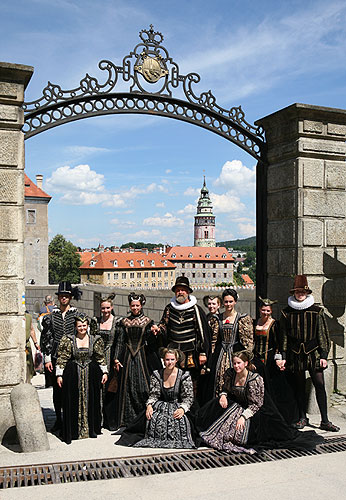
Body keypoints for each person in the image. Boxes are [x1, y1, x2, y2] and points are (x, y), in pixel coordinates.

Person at [196, 351, 321, 454]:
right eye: (234, 363)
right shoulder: (230, 374)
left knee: (241, 431)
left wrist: (243, 417)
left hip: (253, 410)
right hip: (237, 405)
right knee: (215, 405)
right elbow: (226, 389)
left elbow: (256, 404)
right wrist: (223, 395)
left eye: (239, 363)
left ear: (245, 363)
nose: (236, 366)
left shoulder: (254, 379)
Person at [278, 275, 339, 432]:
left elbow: (323, 335)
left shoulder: (317, 312)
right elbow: (283, 337)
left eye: (303, 292)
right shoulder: (286, 313)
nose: (300, 294)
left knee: (319, 384)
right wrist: (283, 357)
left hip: (314, 354)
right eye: (298, 292)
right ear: (294, 293)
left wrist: (324, 356)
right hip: (294, 354)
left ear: (307, 293)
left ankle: (325, 420)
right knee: (298, 387)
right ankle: (302, 417)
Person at [116, 348, 195, 449]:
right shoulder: (157, 375)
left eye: (172, 359)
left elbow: (188, 397)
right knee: (152, 418)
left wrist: (182, 409)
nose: (169, 362)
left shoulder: (184, 376)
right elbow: (154, 394)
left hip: (178, 405)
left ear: (176, 360)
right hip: (161, 404)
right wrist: (149, 405)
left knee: (180, 421)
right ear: (163, 360)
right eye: (167, 360)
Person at [151, 277, 210, 402]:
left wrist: (203, 352)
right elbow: (164, 325)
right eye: (178, 290)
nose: (180, 292)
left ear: (188, 292)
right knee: (173, 379)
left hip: (191, 352)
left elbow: (202, 332)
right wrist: (158, 329)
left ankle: (190, 408)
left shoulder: (196, 309)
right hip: (173, 352)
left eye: (183, 290)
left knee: (191, 381)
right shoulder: (169, 308)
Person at [56, 313, 108, 444]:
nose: (82, 328)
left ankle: (91, 429)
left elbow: (100, 357)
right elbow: (62, 357)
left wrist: (105, 372)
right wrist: (59, 375)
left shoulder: (95, 339)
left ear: (88, 326)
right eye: (79, 326)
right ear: (75, 326)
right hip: (73, 375)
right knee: (72, 400)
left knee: (92, 399)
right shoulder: (68, 340)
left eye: (84, 325)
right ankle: (74, 430)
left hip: (91, 374)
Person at [113, 293, 161, 428]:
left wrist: (154, 334)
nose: (135, 308)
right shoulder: (124, 322)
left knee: (143, 386)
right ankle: (127, 419)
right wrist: (116, 358)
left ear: (141, 306)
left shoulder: (148, 321)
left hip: (142, 356)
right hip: (127, 357)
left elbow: (152, 342)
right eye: (133, 305)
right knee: (127, 386)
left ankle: (145, 416)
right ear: (129, 306)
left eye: (137, 305)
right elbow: (120, 341)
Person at [40, 281, 81, 431]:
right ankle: (58, 418)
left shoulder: (77, 315)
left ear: (70, 297)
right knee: (57, 391)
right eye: (62, 296)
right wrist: (47, 358)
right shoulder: (50, 317)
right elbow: (46, 338)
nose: (64, 298)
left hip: (73, 356)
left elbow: (83, 334)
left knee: (72, 388)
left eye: (66, 296)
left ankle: (72, 419)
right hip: (56, 356)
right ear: (58, 298)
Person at [207, 288, 253, 399]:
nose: (228, 304)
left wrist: (248, 357)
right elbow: (213, 340)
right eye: (226, 301)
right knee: (217, 378)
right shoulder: (217, 318)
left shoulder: (242, 318)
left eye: (231, 301)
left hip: (235, 352)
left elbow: (247, 341)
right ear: (222, 302)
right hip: (220, 353)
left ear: (235, 302)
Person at [95, 293, 122, 430]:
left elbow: (119, 341)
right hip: (99, 357)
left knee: (111, 388)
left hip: (112, 357)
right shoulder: (96, 321)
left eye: (107, 308)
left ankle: (111, 419)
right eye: (103, 308)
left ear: (112, 308)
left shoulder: (117, 322)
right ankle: (99, 418)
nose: (105, 311)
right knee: (100, 388)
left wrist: (116, 358)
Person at [25, 311, 40, 382]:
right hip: (22, 344)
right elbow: (32, 330)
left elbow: (31, 330)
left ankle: (28, 382)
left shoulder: (28, 317)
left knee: (28, 364)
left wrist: (35, 342)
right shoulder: (27, 317)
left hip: (26, 345)